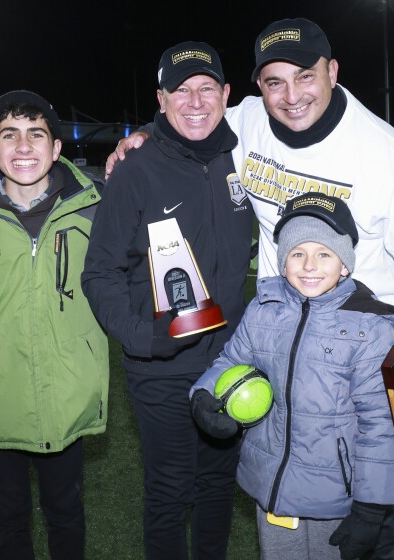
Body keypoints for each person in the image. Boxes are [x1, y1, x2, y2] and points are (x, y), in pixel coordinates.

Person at [107, 18, 394, 421]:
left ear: (333, 72)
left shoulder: (383, 151)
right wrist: (145, 135)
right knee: (278, 465)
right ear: (260, 87)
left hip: (357, 346)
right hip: (278, 341)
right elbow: (195, 121)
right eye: (275, 82)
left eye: (305, 76)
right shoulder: (247, 123)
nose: (292, 96)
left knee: (355, 468)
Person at [81, 42, 254, 559]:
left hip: (229, 359)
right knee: (170, 492)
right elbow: (99, 273)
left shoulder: (244, 156)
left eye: (207, 88)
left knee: (218, 486)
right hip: (162, 367)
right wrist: (145, 340)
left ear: (226, 94)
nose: (195, 101)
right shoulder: (135, 168)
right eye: (181, 90)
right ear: (161, 99)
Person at [191, 192, 394, 560]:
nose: (309, 265)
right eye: (297, 253)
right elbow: (231, 359)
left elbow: (379, 424)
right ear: (283, 260)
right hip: (270, 484)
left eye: (324, 254)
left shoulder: (370, 328)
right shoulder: (264, 309)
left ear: (345, 265)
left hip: (334, 495)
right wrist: (204, 396)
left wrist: (371, 506)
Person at [0, 90, 109, 560]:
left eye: (36, 134)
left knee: (66, 512)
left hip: (67, 396)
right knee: (8, 516)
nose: (24, 147)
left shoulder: (95, 209)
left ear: (56, 148)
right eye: (10, 136)